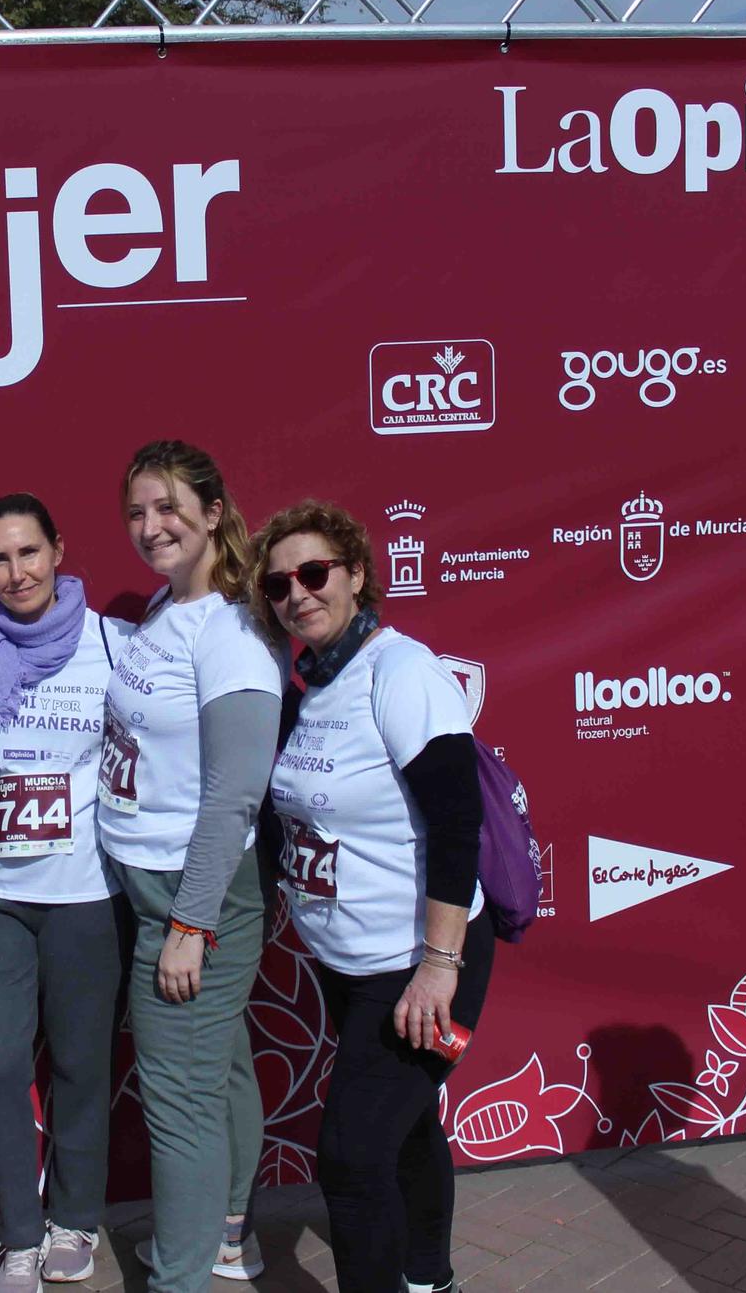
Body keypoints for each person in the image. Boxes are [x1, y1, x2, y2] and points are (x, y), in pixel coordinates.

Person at [248, 499, 493, 1293]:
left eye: (315, 573)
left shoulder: (402, 671)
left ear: (355, 575)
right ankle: (430, 1278)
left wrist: (438, 966)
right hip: (347, 966)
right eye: (281, 584)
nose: (299, 593)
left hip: (419, 961)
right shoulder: (312, 686)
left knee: (352, 1159)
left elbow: (458, 822)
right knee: (408, 1124)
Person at [97, 440, 282, 1290]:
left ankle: (181, 1278)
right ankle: (226, 1236)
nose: (150, 526)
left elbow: (236, 792)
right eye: (137, 510)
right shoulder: (167, 610)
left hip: (193, 894)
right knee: (219, 1065)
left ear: (213, 512)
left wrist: (190, 923)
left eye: (169, 507)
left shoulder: (233, 630)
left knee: (177, 1100)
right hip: (153, 885)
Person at [0, 494, 135, 1293]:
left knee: (85, 1066)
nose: (16, 572)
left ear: (58, 550)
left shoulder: (112, 644)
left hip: (87, 892)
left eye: (29, 552)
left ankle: (75, 1220)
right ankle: (20, 1235)